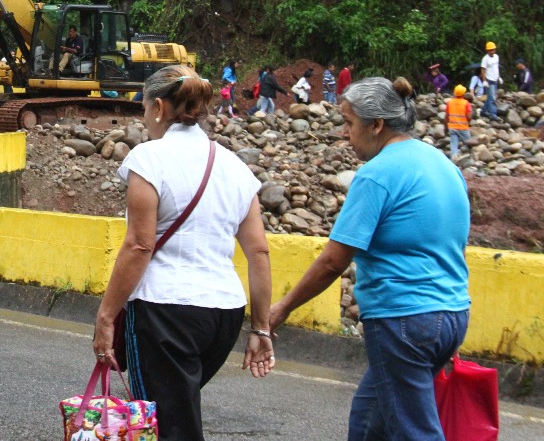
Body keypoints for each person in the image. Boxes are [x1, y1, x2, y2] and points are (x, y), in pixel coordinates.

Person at [270, 77, 470, 440]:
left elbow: (334, 260)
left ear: (376, 125)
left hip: (404, 319)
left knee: (415, 431)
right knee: (369, 420)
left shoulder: (377, 175)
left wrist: (281, 309)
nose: (344, 133)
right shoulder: (442, 164)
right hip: (452, 314)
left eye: (349, 123)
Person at [92, 65, 273, 441]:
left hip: (165, 312)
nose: (144, 119)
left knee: (168, 426)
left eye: (143, 109)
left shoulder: (148, 158)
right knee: (176, 413)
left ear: (158, 107)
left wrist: (107, 316)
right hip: (223, 316)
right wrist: (260, 327)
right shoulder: (235, 166)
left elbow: (139, 244)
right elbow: (258, 252)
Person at [446, 85, 472, 159]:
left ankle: (454, 158)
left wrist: (445, 127)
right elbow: (469, 117)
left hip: (452, 127)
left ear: (454, 93)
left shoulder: (449, 103)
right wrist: (468, 122)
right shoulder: (466, 103)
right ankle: (469, 157)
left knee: (454, 144)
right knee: (468, 143)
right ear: (463, 94)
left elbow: (446, 116)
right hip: (463, 127)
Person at [480, 42, 500, 120]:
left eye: (493, 50)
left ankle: (483, 111)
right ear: (487, 51)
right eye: (490, 50)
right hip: (489, 80)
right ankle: (493, 115)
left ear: (495, 50)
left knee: (489, 98)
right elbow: (483, 70)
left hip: (495, 79)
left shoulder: (497, 57)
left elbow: (496, 68)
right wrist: (484, 81)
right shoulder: (485, 59)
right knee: (492, 98)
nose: (491, 51)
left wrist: (499, 77)